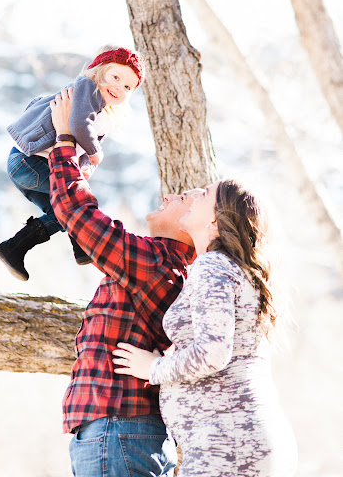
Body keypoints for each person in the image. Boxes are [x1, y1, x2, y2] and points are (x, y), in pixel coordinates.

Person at [47, 87, 200, 477]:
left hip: (117, 434)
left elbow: (79, 215)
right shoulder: (159, 264)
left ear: (192, 226)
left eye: (183, 198)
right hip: (119, 436)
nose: (170, 195)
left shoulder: (156, 263)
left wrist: (64, 141)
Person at [113, 179, 298, 477]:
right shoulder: (234, 269)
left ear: (214, 222)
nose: (193, 195)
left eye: (204, 194)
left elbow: (213, 352)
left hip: (228, 443)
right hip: (243, 438)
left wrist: (154, 369)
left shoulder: (213, 266)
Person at [0, 46, 145, 281]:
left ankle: (14, 249)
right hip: (29, 162)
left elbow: (82, 148)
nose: (119, 87)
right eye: (115, 77)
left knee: (62, 214)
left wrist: (87, 166)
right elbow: (77, 125)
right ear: (99, 71)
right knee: (74, 202)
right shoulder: (87, 88)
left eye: (127, 87)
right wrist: (96, 153)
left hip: (30, 169)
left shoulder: (103, 115)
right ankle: (81, 244)